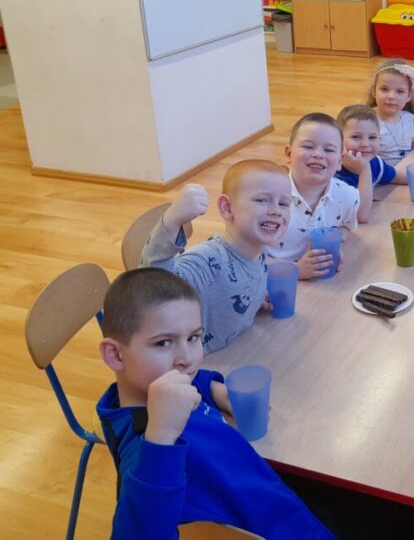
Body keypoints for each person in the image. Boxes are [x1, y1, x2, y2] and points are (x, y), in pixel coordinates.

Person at [96, 268, 332, 540]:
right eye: (163, 343)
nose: (187, 358)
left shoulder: (162, 385)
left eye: (193, 337)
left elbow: (193, 376)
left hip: (277, 499)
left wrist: (214, 388)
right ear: (115, 355)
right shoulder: (145, 446)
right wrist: (161, 438)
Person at [139, 161, 291, 354]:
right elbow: (150, 285)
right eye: (262, 200)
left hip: (238, 350)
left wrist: (254, 300)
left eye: (284, 204)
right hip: (197, 363)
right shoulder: (209, 260)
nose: (276, 211)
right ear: (227, 208)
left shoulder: (260, 250)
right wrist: (171, 221)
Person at [268, 113, 360, 280]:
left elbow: (346, 226)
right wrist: (295, 270)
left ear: (340, 161)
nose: (318, 154)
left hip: (323, 284)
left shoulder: (348, 196)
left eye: (329, 150)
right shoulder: (267, 200)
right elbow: (247, 257)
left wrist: (335, 244)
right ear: (288, 154)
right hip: (274, 283)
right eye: (308, 146)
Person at [333, 104, 401, 224]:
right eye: (356, 137)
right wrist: (364, 171)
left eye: (372, 137)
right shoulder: (334, 177)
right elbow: (361, 216)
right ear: (339, 141)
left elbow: (395, 176)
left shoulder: (374, 162)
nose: (365, 144)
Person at [367, 59, 414, 165]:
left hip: (406, 173)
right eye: (384, 89)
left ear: (409, 95)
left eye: (400, 91)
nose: (391, 96)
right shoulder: (365, 121)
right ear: (374, 91)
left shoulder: (412, 121)